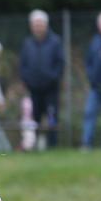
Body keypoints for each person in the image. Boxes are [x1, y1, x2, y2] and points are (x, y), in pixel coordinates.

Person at [19, 10, 64, 149]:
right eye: (35, 24)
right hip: (34, 89)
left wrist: (52, 78)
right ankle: (35, 146)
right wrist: (28, 80)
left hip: (51, 89)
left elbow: (60, 63)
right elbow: (23, 65)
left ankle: (52, 146)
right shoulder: (27, 43)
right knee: (35, 118)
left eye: (40, 24)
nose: (38, 27)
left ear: (45, 25)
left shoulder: (55, 42)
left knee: (51, 117)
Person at [81, 11, 101, 149]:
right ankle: (86, 144)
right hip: (95, 88)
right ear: (99, 25)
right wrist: (92, 78)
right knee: (89, 114)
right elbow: (88, 63)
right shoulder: (94, 42)